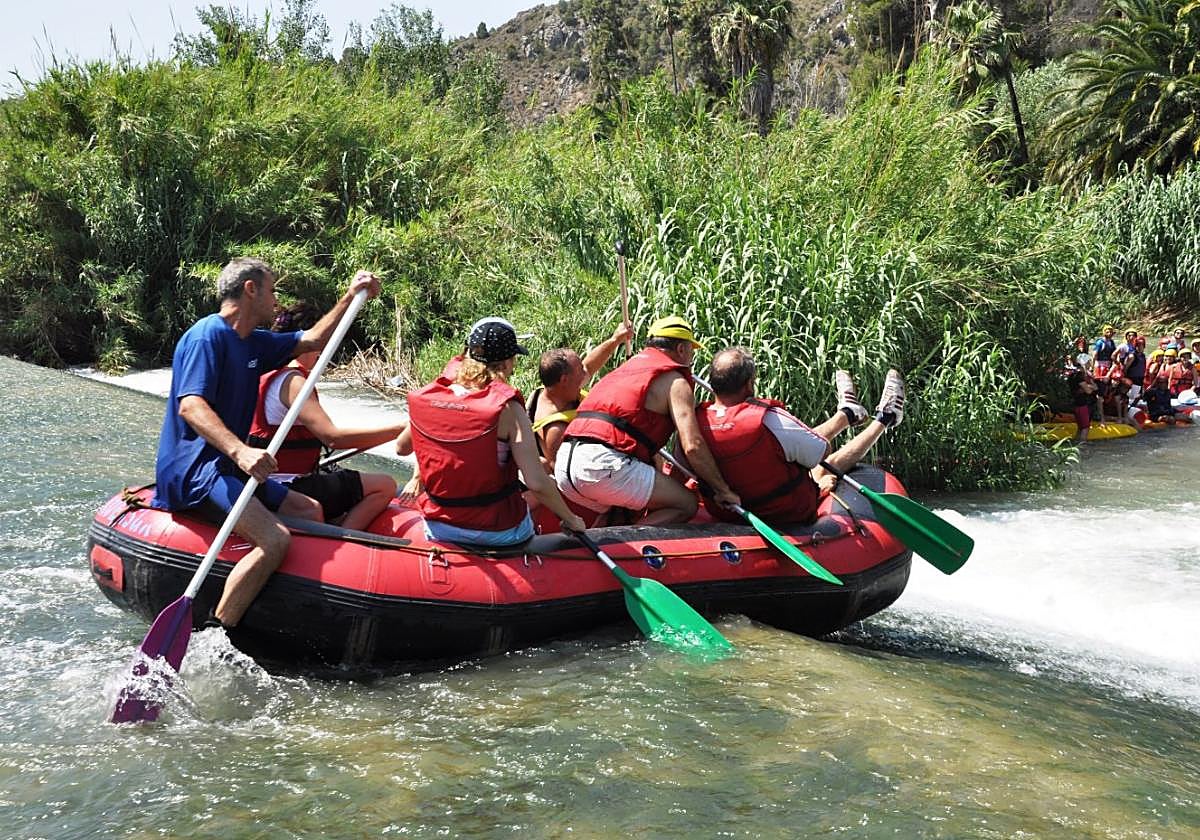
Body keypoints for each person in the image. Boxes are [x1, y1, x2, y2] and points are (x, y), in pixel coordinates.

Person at [152, 257, 381, 627]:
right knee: (275, 540)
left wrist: (351, 296)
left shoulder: (254, 343)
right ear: (250, 289)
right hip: (195, 472)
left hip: (226, 470)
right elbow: (191, 406)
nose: (276, 300)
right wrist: (240, 451)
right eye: (271, 290)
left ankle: (289, 607)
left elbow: (312, 339)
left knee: (308, 510)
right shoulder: (206, 336)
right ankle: (221, 631)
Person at [396, 317, 586, 546]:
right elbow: (536, 482)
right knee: (546, 484)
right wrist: (572, 520)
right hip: (497, 531)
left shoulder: (431, 397)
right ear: (506, 363)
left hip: (438, 527)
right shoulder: (508, 408)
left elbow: (402, 447)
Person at [555, 316, 740, 525]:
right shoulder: (676, 382)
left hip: (565, 466)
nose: (691, 357)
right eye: (691, 351)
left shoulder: (629, 367)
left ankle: (599, 537)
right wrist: (723, 490)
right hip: (600, 467)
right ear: (681, 349)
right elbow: (692, 446)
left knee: (620, 509)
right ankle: (630, 542)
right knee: (686, 504)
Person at [695, 348, 905, 524]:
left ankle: (848, 413)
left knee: (799, 452)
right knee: (826, 464)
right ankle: (885, 418)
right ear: (750, 383)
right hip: (784, 512)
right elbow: (822, 451)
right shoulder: (771, 420)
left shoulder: (694, 426)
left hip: (727, 513)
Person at [247, 302, 407, 531]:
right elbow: (333, 438)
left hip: (271, 479)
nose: (322, 351)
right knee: (385, 484)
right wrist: (399, 429)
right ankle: (344, 538)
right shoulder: (294, 382)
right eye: (322, 342)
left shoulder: (266, 371)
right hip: (286, 483)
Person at [528, 322, 634, 471]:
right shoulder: (556, 430)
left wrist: (615, 339)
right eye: (580, 371)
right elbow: (566, 474)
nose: (585, 374)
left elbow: (589, 366)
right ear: (564, 379)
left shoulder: (561, 389)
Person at [1067, 366, 1098, 441]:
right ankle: (1083, 445)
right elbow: (1090, 391)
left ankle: (1076, 443)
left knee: (1080, 428)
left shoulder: (1071, 378)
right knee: (1085, 427)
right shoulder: (1079, 379)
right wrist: (1091, 385)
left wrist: (1089, 386)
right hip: (1082, 405)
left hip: (1076, 404)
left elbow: (1092, 388)